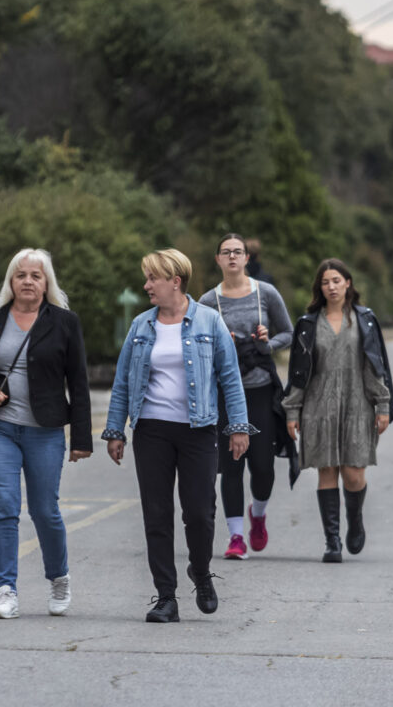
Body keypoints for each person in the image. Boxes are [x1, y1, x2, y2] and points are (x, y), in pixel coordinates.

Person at [102, 248, 254, 624]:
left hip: (198, 430)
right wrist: (115, 429)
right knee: (157, 515)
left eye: (153, 278)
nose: (146, 285)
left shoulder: (209, 322)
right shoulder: (141, 326)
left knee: (200, 513)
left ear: (175, 281)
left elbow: (230, 378)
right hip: (151, 430)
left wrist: (237, 426)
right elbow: (123, 381)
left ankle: (200, 573)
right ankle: (166, 597)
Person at [0, 248, 93, 619]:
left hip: (45, 432)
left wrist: (81, 439)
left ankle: (59, 577)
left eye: (36, 275)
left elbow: (78, 383)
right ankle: (5, 590)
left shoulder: (65, 322)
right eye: (21, 275)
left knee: (45, 510)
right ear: (10, 281)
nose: (28, 281)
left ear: (46, 282)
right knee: (4, 506)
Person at [283, 259, 393, 563]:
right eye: (325, 282)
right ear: (319, 288)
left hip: (358, 403)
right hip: (318, 406)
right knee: (327, 469)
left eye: (336, 280)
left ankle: (355, 517)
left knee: (354, 473)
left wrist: (382, 404)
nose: (331, 287)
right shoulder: (307, 324)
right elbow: (297, 372)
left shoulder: (365, 319)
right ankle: (332, 541)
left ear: (348, 283)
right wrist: (292, 411)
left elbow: (376, 366)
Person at [199, 233, 294, 560]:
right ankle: (236, 537)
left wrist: (267, 342)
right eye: (226, 252)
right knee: (231, 464)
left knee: (264, 466)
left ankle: (259, 514)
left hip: (260, 390)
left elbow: (289, 334)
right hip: (227, 393)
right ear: (218, 260)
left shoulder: (264, 293)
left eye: (238, 252)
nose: (232, 257)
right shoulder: (208, 301)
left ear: (246, 258)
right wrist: (216, 343)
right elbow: (196, 344)